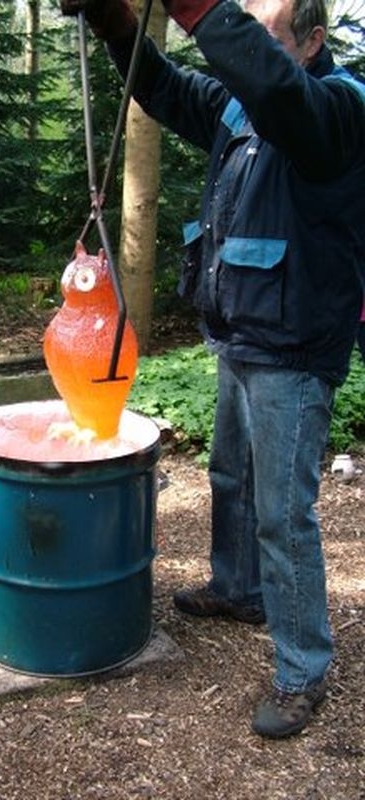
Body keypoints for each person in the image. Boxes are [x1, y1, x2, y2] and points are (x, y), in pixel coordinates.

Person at [60, 0, 365, 738]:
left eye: (264, 35)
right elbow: (165, 88)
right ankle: (238, 589)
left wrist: (198, 6)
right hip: (241, 333)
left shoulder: (338, 108)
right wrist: (116, 24)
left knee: (283, 516)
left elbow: (278, 92)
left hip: (296, 346)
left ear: (313, 41)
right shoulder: (240, 105)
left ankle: (303, 669)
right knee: (231, 475)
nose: (245, 50)